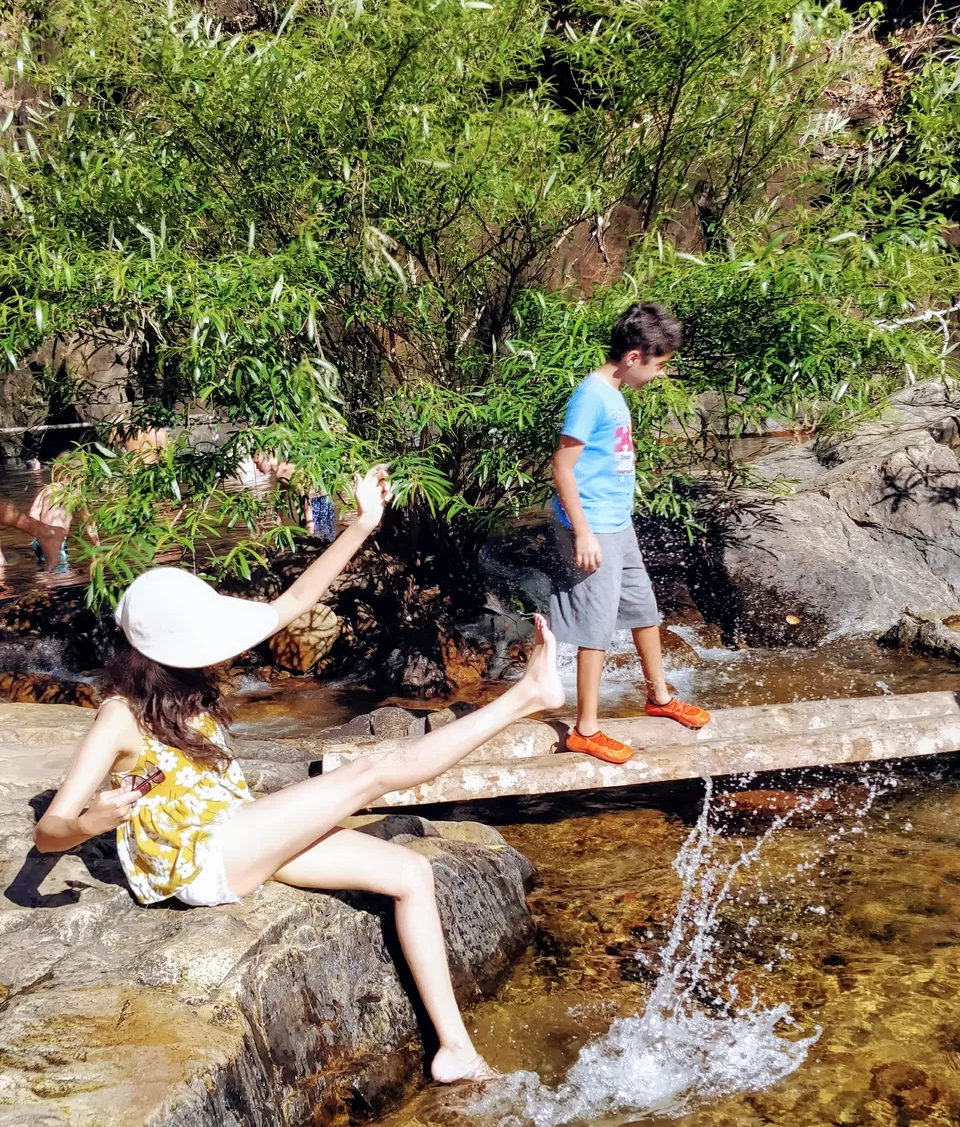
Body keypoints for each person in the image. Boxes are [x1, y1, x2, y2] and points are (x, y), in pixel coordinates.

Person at [35, 466, 565, 1085]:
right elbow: (49, 832)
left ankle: (454, 1051)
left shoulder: (186, 689)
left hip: (241, 835)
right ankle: (525, 699)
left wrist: (362, 523)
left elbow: (294, 603)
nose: (225, 648)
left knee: (410, 873)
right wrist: (88, 823)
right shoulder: (120, 716)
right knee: (372, 772)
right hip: (206, 860)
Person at [550, 301, 710, 765]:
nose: (660, 375)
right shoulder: (591, 397)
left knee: (644, 610)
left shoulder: (615, 393)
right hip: (593, 527)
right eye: (659, 365)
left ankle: (659, 697)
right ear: (633, 357)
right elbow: (562, 466)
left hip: (618, 523)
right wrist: (582, 533)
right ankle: (585, 729)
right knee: (595, 630)